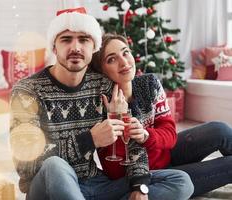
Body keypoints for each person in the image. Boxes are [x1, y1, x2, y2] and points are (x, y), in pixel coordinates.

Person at [10, 7, 193, 200]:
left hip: (94, 184)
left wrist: (139, 185)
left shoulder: (103, 86)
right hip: (46, 187)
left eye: (84, 40)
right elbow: (25, 164)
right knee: (54, 165)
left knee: (180, 181)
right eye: (66, 40)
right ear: (54, 47)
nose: (76, 48)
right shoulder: (27, 91)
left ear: (93, 48)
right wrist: (89, 140)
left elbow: (132, 142)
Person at [90, 33, 232, 198]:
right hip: (154, 177)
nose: (124, 62)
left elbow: (170, 134)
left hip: (165, 153)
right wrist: (117, 119)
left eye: (125, 52)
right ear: (101, 70)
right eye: (111, 59)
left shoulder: (149, 84)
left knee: (219, 129)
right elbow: (115, 171)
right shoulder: (99, 104)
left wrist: (146, 135)